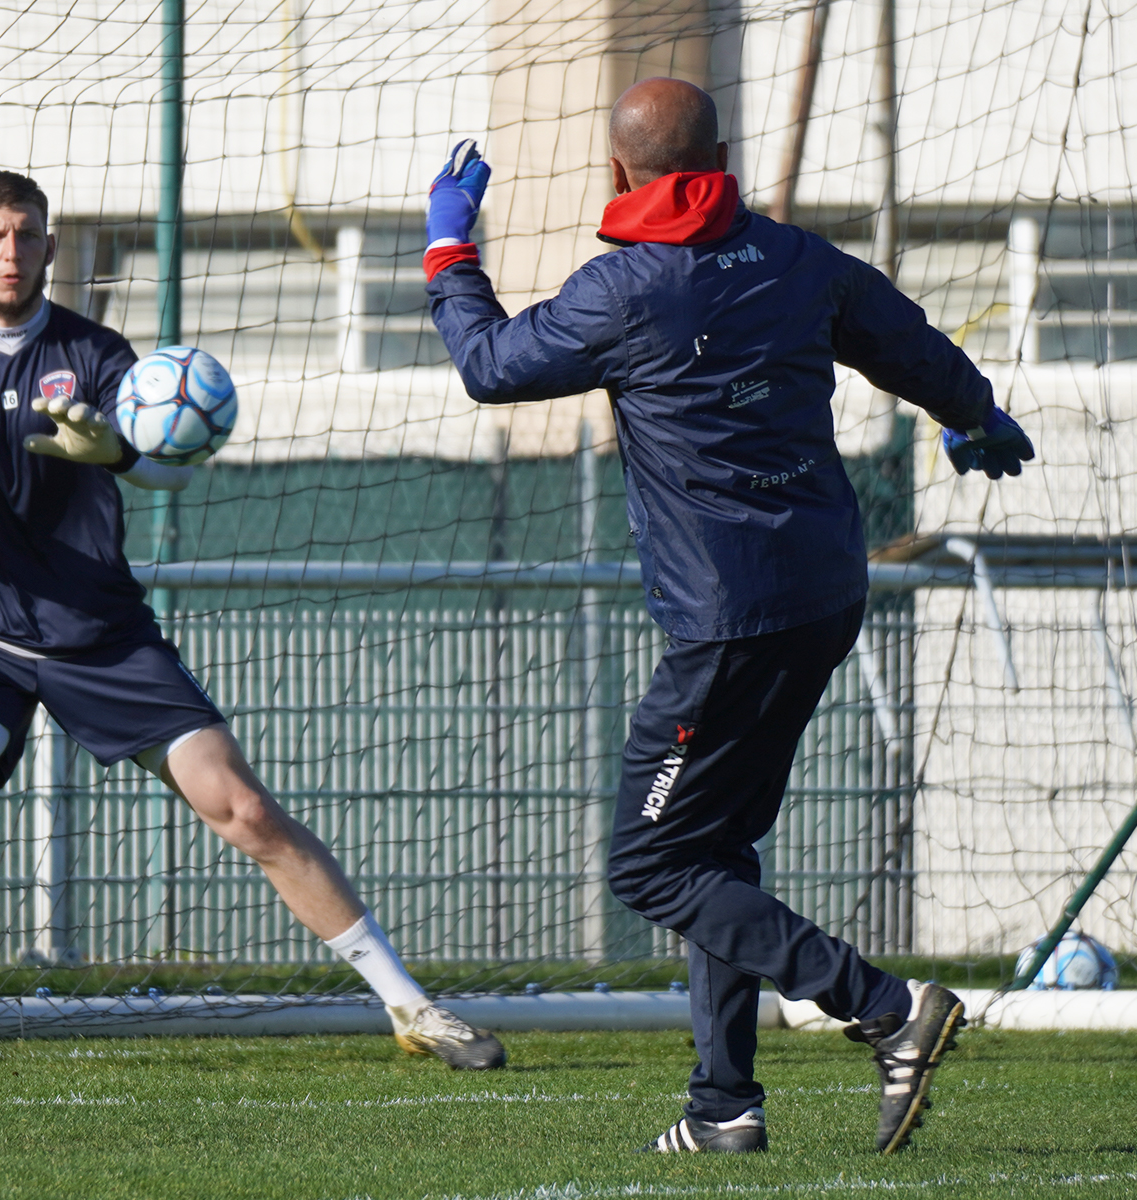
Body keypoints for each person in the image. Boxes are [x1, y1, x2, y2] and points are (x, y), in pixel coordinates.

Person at [420, 81, 1034, 1153]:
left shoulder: (619, 290)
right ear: (720, 155)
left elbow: (487, 366)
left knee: (651, 867)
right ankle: (723, 1108)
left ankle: (888, 1010)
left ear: (620, 174)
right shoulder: (798, 261)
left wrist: (447, 254)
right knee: (713, 848)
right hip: (825, 595)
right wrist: (971, 410)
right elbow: (905, 340)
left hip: (725, 624)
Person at [0, 170, 505, 1072]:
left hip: (102, 634)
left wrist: (112, 449)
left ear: (50, 246)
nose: (9, 252)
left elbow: (169, 469)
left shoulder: (99, 352)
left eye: (25, 235)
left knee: (248, 809)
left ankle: (412, 1007)